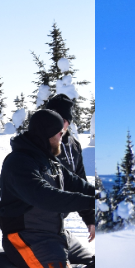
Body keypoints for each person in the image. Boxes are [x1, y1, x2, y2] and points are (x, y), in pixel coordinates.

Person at [0, 108, 95, 268]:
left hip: (56, 235)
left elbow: (80, 186)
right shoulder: (19, 162)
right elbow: (45, 197)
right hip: (28, 237)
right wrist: (92, 202)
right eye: (60, 133)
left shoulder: (48, 161)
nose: (63, 137)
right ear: (46, 134)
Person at [44, 93, 97, 243]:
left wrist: (90, 218)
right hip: (38, 222)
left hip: (58, 221)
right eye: (56, 119)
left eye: (64, 120)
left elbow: (79, 182)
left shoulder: (73, 145)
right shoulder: (41, 144)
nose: (60, 124)